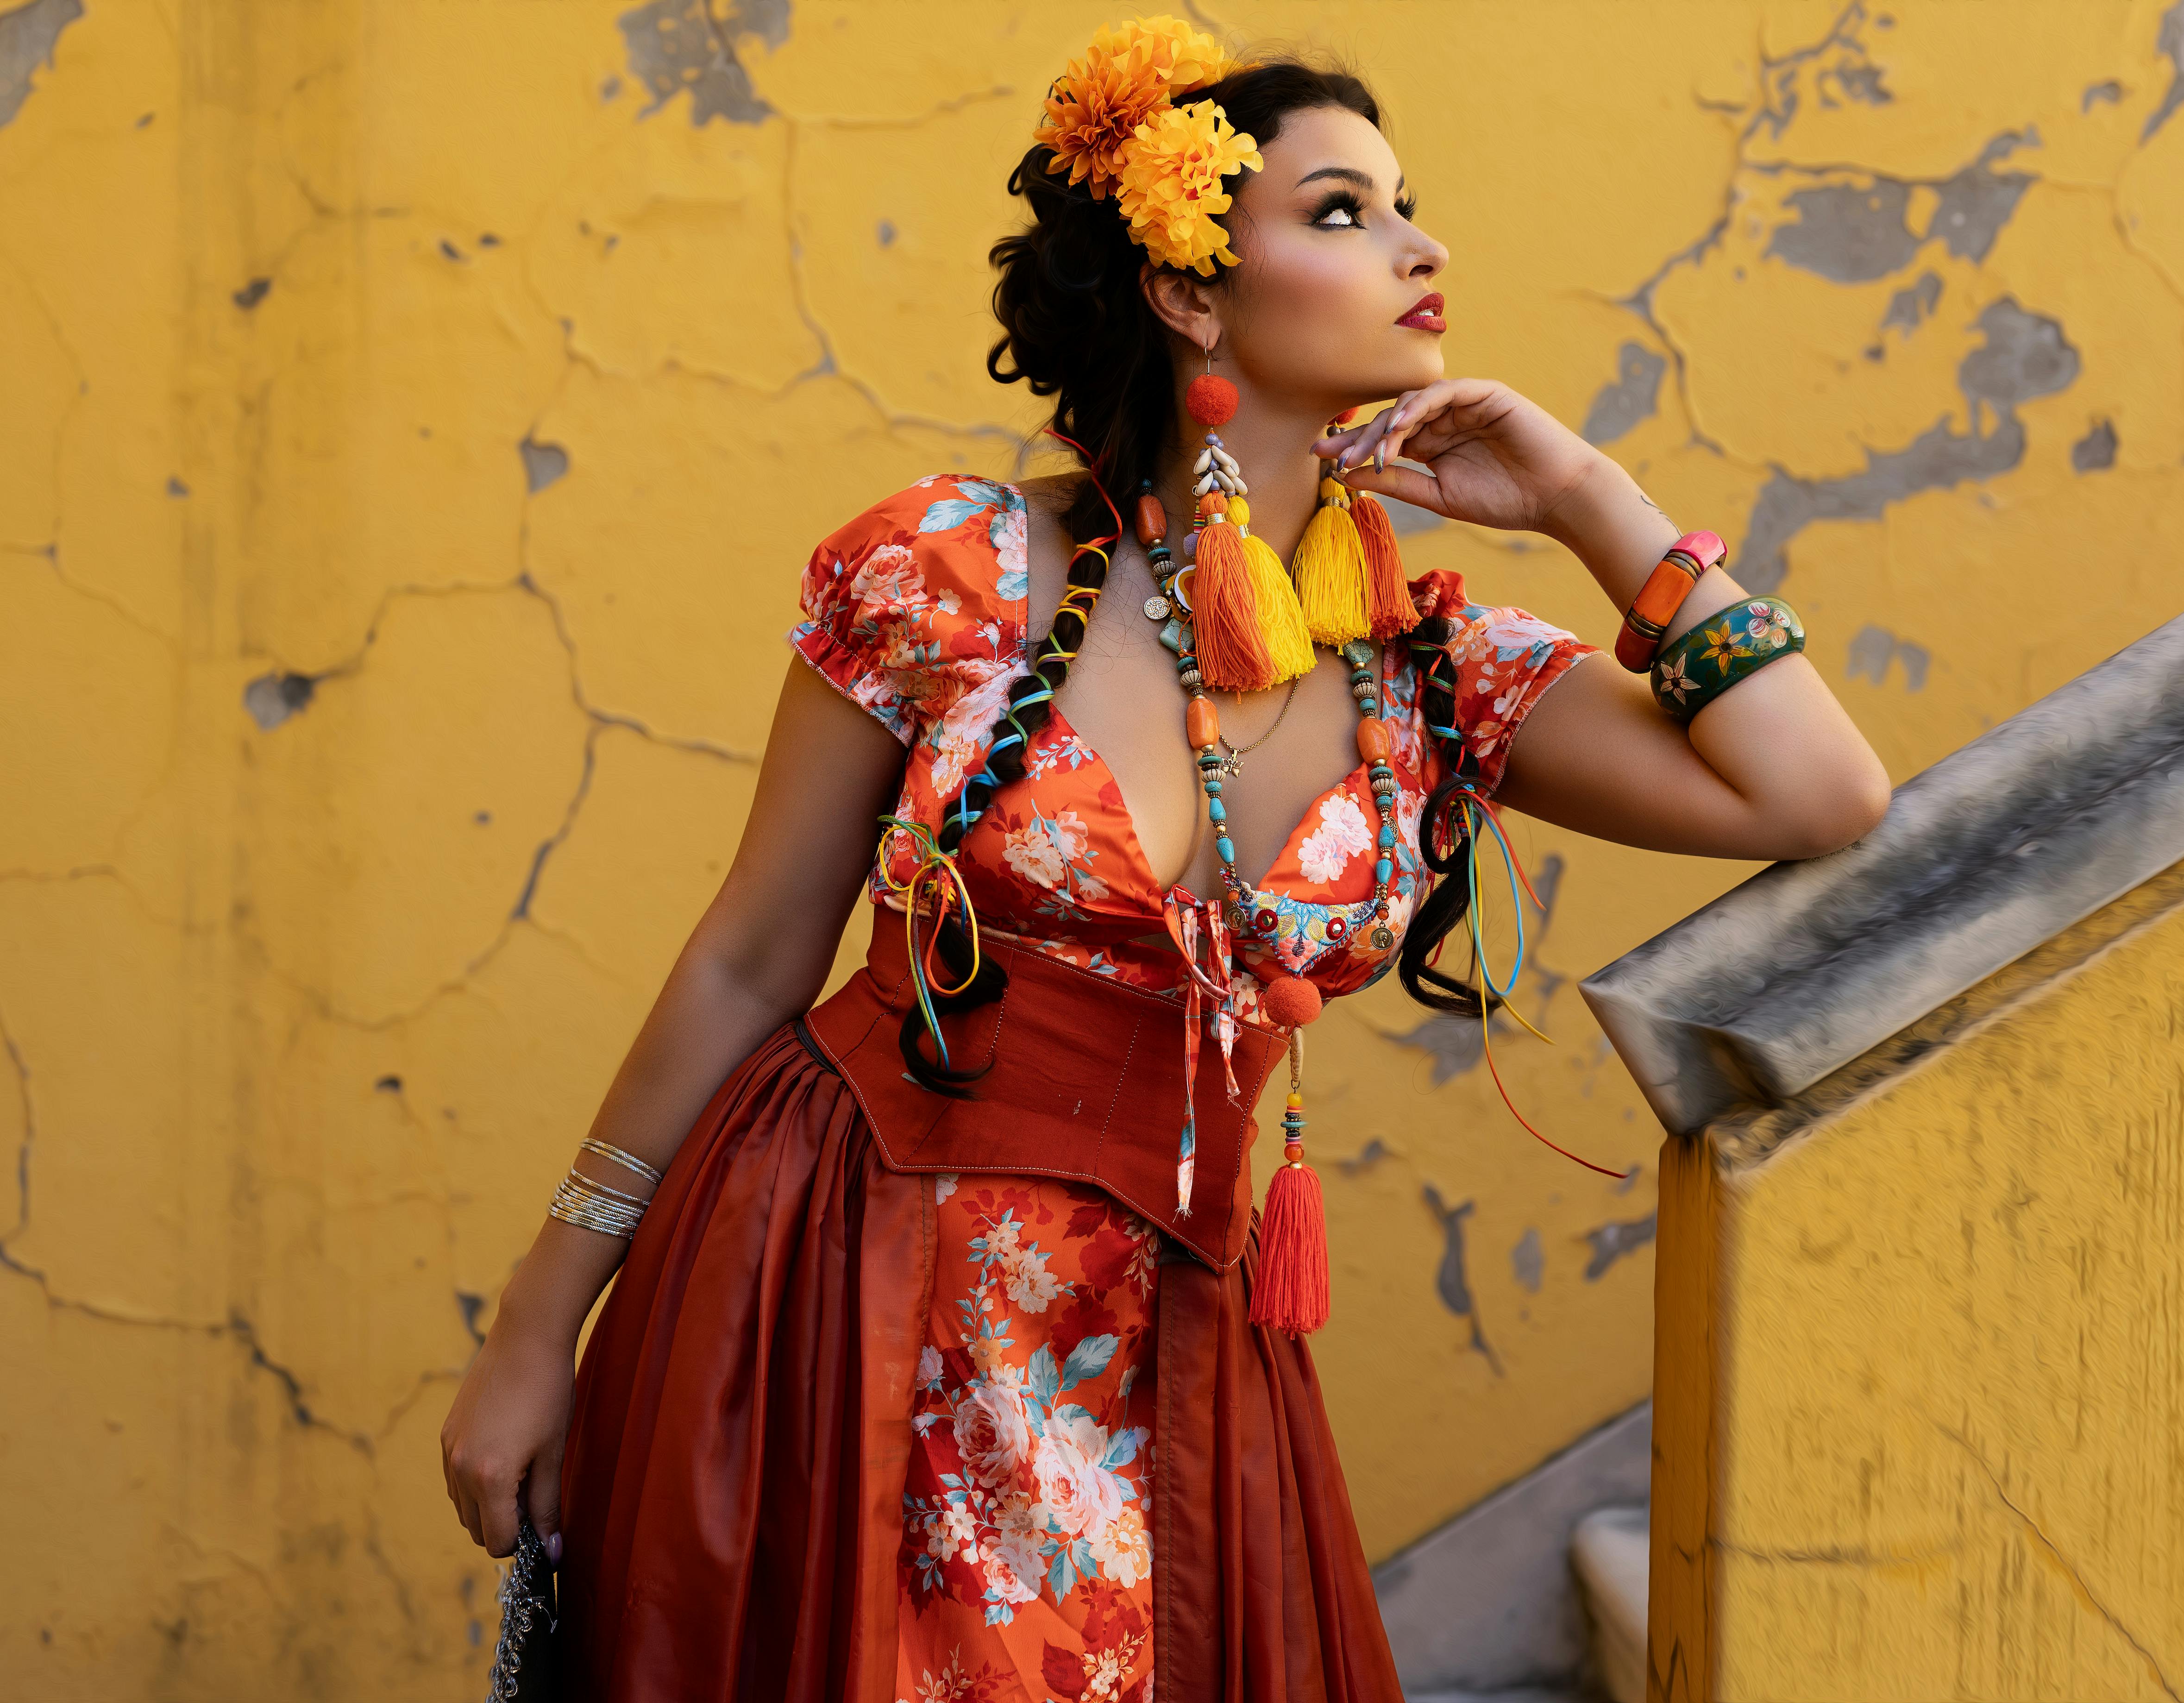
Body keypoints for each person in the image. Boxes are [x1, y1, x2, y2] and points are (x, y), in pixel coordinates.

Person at [439, 19, 1889, 1702]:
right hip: (843, 1288)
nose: (1422, 249)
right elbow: (750, 961)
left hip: (1181, 1352)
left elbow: (1819, 793)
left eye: (1406, 206)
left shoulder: (1430, 662)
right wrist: (537, 1327)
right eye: (1342, 210)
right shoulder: (953, 567)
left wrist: (1587, 498)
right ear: (1193, 295)